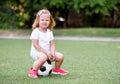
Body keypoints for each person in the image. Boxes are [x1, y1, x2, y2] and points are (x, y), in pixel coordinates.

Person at [28, 9, 69, 78]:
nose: (45, 22)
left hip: (48, 52)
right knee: (44, 57)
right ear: (38, 21)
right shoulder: (36, 32)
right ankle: (33, 70)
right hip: (36, 52)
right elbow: (36, 45)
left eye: (47, 20)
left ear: (50, 21)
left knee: (60, 56)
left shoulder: (49, 32)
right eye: (42, 20)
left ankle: (56, 69)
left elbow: (52, 44)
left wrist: (52, 53)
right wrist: (47, 53)